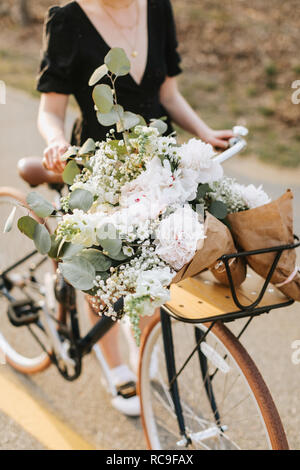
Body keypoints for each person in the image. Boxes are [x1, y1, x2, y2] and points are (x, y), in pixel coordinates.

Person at [18, 0, 233, 416]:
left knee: (156, 266)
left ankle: (144, 345)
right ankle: (115, 366)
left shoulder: (156, 7)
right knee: (101, 267)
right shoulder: (67, 19)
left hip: (158, 166)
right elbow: (51, 108)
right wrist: (55, 142)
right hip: (97, 166)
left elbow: (167, 92)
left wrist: (205, 133)